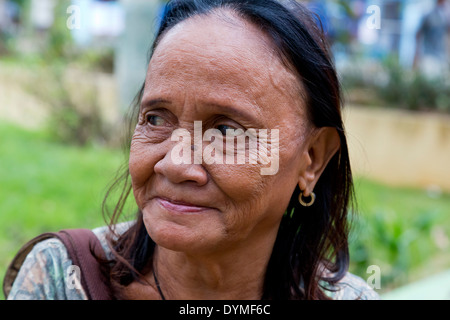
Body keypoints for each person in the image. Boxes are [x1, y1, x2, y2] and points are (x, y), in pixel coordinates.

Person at [4, 0, 379, 300]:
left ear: (311, 158)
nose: (176, 164)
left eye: (226, 130)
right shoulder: (61, 280)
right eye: (155, 119)